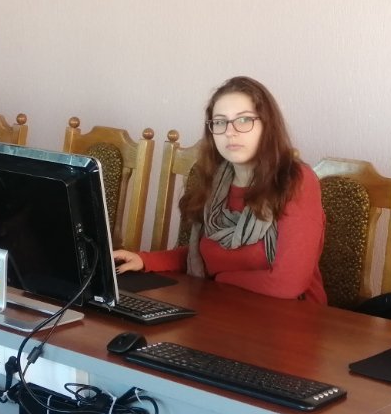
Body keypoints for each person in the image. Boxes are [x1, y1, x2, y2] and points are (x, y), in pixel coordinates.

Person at [115, 75, 326, 303]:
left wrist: (222, 279)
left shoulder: (295, 180)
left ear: (267, 126)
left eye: (244, 120)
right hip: (225, 306)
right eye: (220, 122)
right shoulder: (216, 181)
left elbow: (287, 284)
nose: (230, 132)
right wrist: (145, 260)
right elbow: (202, 255)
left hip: (290, 314)